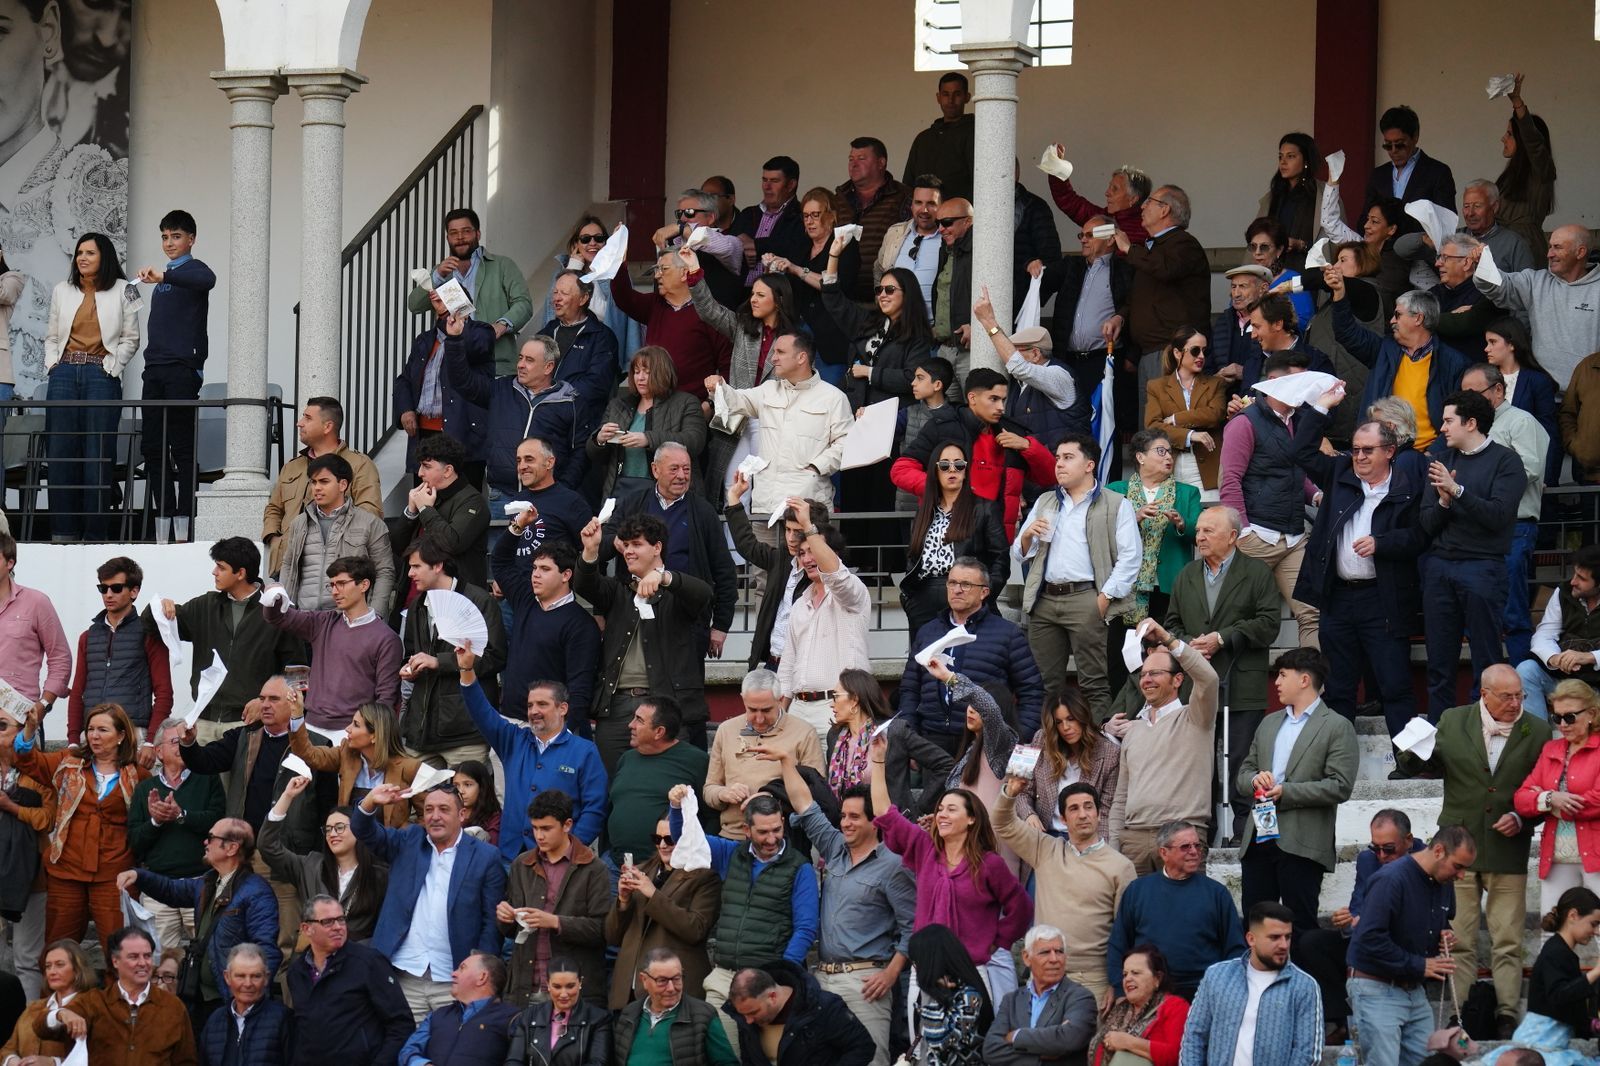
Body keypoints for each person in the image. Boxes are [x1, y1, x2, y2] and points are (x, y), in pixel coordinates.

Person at [1396, 664, 1549, 1037]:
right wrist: (1413, 746)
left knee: (1508, 940)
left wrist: (1522, 819)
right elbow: (1421, 765)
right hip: (1454, 852)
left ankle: (1507, 1015)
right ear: (1484, 694)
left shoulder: (1538, 729)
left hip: (1507, 848)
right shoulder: (1452, 719)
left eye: (1520, 696)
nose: (1516, 703)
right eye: (1507, 696)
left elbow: (1540, 788)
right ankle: (1458, 1014)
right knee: (1458, 939)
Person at [757, 747, 915, 1066]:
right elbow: (805, 805)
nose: (845, 822)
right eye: (843, 815)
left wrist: (891, 973)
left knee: (871, 1060)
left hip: (867, 982)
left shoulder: (893, 866)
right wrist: (787, 763)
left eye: (854, 817)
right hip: (824, 980)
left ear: (876, 822)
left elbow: (914, 926)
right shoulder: (835, 848)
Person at [1289, 400, 1428, 738]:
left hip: (1382, 599)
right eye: (1355, 450)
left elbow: (1420, 536)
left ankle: (1409, 760)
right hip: (1338, 598)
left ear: (1390, 451)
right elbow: (1301, 451)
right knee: (1338, 689)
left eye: (1368, 450)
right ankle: (1339, 765)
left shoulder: (1407, 485)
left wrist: (1382, 543)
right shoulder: (1340, 474)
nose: (1360, 457)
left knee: (1395, 685)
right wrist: (1321, 408)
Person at [869, 737, 1032, 1001]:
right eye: (940, 808)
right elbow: (885, 814)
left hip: (973, 970)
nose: (942, 814)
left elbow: (1021, 908)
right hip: (925, 970)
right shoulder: (925, 849)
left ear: (971, 819)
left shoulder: (990, 864)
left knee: (972, 1041)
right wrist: (878, 761)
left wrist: (996, 941)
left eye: (951, 809)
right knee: (923, 1041)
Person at [177, 675, 330, 950]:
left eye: (274, 699)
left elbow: (326, 808)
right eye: (262, 698)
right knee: (242, 937)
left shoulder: (318, 746)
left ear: (294, 704)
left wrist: (314, 858)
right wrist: (189, 744)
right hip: (245, 856)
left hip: (287, 857)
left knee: (285, 939)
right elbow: (204, 761)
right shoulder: (244, 738)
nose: (265, 705)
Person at [665, 783, 820, 1047]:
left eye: (776, 830)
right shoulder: (730, 853)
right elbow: (686, 840)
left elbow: (805, 928)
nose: (771, 839)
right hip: (725, 977)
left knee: (766, 1057)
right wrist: (677, 808)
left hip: (767, 979)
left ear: (783, 823)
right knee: (723, 1055)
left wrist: (782, 975)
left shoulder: (799, 868)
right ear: (746, 830)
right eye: (762, 832)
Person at [1157, 507, 1278, 838]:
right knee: (1199, 764)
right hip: (1198, 689)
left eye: (1209, 531)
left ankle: (1249, 836)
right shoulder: (1186, 575)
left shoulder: (1256, 573)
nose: (1200, 537)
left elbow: (1269, 624)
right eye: (1198, 531)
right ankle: (1200, 835)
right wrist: (1186, 644)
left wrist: (1224, 637)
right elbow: (1172, 625)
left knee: (1244, 762)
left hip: (1242, 683)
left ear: (1233, 537)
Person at [353, 781, 507, 1022]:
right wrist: (370, 800)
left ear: (462, 814)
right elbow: (364, 831)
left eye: (444, 809)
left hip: (455, 981)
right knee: (403, 1054)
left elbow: (491, 923)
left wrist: (480, 975)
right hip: (404, 975)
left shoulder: (486, 857)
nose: (435, 817)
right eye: (428, 810)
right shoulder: (409, 841)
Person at [1014, 433, 1142, 718]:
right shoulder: (1046, 500)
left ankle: (1099, 752)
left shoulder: (1116, 503)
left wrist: (1104, 598)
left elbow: (1131, 558)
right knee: (1044, 683)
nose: (1059, 464)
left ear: (1089, 465)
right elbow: (1020, 553)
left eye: (1068, 457)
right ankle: (1049, 751)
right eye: (1058, 457)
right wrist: (1027, 537)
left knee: (1094, 682)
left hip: (1086, 597)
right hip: (1044, 600)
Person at [577, 513, 713, 775]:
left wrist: (665, 578)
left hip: (663, 706)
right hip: (615, 707)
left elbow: (704, 594)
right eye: (626, 545)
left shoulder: (677, 590)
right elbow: (585, 584)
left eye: (636, 545)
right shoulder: (619, 591)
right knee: (612, 785)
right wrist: (590, 550)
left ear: (657, 547)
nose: (628, 551)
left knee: (670, 786)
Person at [1417, 390, 1526, 717]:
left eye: (1449, 420)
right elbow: (1426, 523)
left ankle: (1487, 735)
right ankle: (1440, 738)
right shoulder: (1441, 462)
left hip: (1482, 567)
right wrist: (1444, 502)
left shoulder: (1506, 461)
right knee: (1439, 661)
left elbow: (1498, 516)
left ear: (1472, 423)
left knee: (1486, 659)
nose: (1442, 428)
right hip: (1438, 568)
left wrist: (1458, 491)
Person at [1236, 649, 1358, 930]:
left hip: (1303, 841)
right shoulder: (1269, 722)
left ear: (1304, 680)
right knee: (1255, 923)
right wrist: (1255, 780)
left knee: (1300, 925)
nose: (1276, 681)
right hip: (1260, 835)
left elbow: (1340, 786)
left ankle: (1302, 974)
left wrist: (1286, 792)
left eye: (1282, 674)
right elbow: (1243, 773)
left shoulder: (1337, 726)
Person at [14, 700, 146, 958]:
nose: (94, 736)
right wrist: (30, 729)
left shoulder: (138, 774)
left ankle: (118, 999)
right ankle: (57, 1000)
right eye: (91, 729)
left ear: (121, 736)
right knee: (58, 952)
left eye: (103, 730)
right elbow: (28, 761)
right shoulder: (69, 762)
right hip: (67, 870)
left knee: (119, 954)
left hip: (114, 873)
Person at [119, 817, 282, 1025]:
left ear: (232, 848)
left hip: (230, 1002)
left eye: (212, 837)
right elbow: (172, 890)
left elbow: (266, 950)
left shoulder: (257, 892)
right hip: (203, 998)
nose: (206, 842)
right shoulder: (210, 881)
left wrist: (248, 998)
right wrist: (138, 875)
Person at [1345, 825, 1477, 1066]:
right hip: (1376, 988)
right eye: (1458, 866)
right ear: (1438, 851)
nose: (1461, 876)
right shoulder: (1391, 878)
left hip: (1413, 989)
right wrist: (1420, 964)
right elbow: (1368, 938)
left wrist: (1443, 935)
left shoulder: (1442, 880)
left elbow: (1433, 923)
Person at [996, 773, 1134, 1005]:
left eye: (1088, 807)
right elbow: (1002, 823)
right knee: (1040, 1041)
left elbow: (1127, 931)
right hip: (1043, 974)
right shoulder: (1044, 849)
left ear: (1099, 815)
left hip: (1093, 979)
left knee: (1090, 1042)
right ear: (1063, 818)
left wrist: (1116, 983)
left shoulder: (1121, 866)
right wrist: (1010, 793)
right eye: (1074, 809)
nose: (1082, 814)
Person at [1217, 353, 1321, 648]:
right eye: (1297, 380)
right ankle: (1228, 691)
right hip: (1257, 536)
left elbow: (1293, 473)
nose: (1304, 388)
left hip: (1293, 537)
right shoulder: (1243, 422)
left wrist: (1316, 495)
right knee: (1235, 616)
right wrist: (1245, 533)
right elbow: (1230, 481)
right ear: (1274, 382)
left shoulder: (1299, 421)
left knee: (1311, 614)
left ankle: (1314, 691)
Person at [151, 537, 298, 745]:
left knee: (241, 779)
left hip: (249, 724)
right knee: (203, 779)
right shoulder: (205, 606)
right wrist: (159, 606)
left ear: (241, 573)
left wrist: (267, 702)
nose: (214, 572)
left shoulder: (278, 611)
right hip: (202, 723)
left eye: (221, 567)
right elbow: (151, 625)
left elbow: (297, 673)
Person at [42, 230, 140, 541]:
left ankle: (95, 533)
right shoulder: (62, 290)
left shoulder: (125, 290)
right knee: (60, 453)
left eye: (90, 253)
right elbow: (52, 336)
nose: (82, 258)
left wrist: (112, 367)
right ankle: (63, 531)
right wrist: (53, 365)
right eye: (79, 253)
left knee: (98, 454)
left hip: (101, 374)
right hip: (64, 374)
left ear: (104, 257)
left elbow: (131, 338)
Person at [601, 441, 737, 663]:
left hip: (687, 621)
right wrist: (617, 542)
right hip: (634, 619)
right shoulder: (633, 504)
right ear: (655, 470)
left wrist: (721, 626)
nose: (682, 476)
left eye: (687, 469)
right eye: (674, 468)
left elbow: (724, 572)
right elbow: (602, 545)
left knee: (683, 693)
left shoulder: (703, 512)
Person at [704, 329, 851, 524]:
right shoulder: (768, 390)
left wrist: (816, 467)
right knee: (763, 555)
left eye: (780, 352)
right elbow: (737, 400)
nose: (773, 359)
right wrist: (720, 387)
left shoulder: (833, 398)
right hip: (765, 506)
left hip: (809, 506)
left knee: (808, 556)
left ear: (801, 357)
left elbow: (846, 444)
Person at [893, 367, 1056, 538]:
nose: (1001, 407)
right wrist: (943, 488)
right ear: (972, 398)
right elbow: (901, 470)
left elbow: (1050, 477)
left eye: (1003, 400)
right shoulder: (942, 427)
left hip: (996, 539)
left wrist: (1028, 446)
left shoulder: (1013, 433)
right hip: (948, 536)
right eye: (993, 399)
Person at [900, 554, 1039, 753]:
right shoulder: (928, 632)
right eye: (952, 583)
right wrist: (910, 739)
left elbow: (1032, 693)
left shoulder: (1007, 634)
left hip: (984, 742)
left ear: (984, 592)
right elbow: (910, 690)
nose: (957, 590)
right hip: (932, 740)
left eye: (966, 584)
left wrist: (1015, 740)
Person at [1462, 362, 1549, 664]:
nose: (1467, 401)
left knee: (1512, 612)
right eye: (1463, 395)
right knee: (1478, 612)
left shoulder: (1519, 421)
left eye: (1474, 393)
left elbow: (1530, 469)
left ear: (1498, 390)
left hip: (1515, 526)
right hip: (1478, 528)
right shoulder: (1471, 426)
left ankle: (1521, 685)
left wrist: (1478, 482)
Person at [136, 209, 215, 540]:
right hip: (154, 368)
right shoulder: (163, 279)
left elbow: (207, 280)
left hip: (182, 369)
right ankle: (162, 522)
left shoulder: (191, 271)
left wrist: (165, 277)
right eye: (165, 237)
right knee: (153, 447)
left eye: (176, 236)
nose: (169, 243)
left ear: (191, 239)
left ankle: (184, 525)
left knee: (182, 447)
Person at [261, 555, 403, 732]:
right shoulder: (323, 622)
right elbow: (278, 617)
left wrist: (369, 734)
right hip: (311, 725)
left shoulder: (386, 639)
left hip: (352, 732)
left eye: (342, 583)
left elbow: (386, 699)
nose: (335, 591)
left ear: (364, 585)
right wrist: (273, 594)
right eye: (332, 585)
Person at [398, 538, 507, 767]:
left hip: (465, 729)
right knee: (416, 799)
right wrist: (411, 668)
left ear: (437, 566)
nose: (410, 573)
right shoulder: (418, 604)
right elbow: (411, 651)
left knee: (463, 801)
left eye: (416, 566)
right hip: (422, 730)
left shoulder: (480, 600)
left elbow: (494, 657)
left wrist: (439, 662)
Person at [501, 790, 613, 1009]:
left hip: (573, 992)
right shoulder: (521, 864)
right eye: (535, 828)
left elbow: (602, 931)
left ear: (567, 825)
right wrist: (505, 918)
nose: (539, 836)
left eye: (546, 828)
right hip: (526, 987)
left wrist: (554, 922)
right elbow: (511, 932)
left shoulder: (594, 868)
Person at [1107, 821, 1244, 1001]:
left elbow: (1235, 949)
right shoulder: (1138, 891)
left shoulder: (1216, 893)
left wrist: (1224, 991)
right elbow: (1119, 944)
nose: (1194, 852)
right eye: (1185, 847)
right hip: (1148, 992)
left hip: (1204, 993)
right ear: (1164, 853)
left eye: (1197, 845)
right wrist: (1119, 988)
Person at [773, 498, 872, 740]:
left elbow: (836, 576)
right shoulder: (799, 604)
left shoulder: (852, 591)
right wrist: (779, 718)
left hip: (838, 707)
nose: (807, 559)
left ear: (832, 554)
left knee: (837, 779)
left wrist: (808, 525)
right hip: (797, 709)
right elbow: (787, 668)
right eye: (802, 553)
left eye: (813, 551)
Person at [1179, 902, 1324, 1066]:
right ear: (1251, 939)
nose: (1284, 945)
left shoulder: (1304, 986)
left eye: (1288, 937)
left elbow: (1308, 1053)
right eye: (1274, 937)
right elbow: (1194, 1036)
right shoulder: (1217, 976)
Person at [604, 810, 721, 1009]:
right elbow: (612, 936)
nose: (663, 845)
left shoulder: (704, 877)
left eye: (670, 839)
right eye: (657, 839)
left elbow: (696, 929)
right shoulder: (643, 870)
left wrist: (653, 894)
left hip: (672, 994)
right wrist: (623, 901)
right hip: (628, 994)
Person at [897, 441, 1010, 645]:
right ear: (935, 471)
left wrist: (983, 595)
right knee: (925, 667)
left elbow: (1000, 560)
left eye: (959, 465)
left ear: (966, 470)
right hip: (924, 597)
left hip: (966, 594)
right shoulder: (924, 512)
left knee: (971, 664)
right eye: (945, 465)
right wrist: (909, 599)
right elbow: (913, 557)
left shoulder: (984, 508)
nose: (952, 470)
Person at [127, 719, 225, 949]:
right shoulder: (145, 789)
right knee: (159, 963)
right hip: (159, 887)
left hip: (202, 883)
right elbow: (135, 841)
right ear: (159, 751)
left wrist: (181, 815)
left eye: (184, 740)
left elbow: (218, 822)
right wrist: (156, 820)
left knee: (208, 955)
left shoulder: (208, 778)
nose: (181, 745)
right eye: (174, 741)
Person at [284, 895, 415, 1066]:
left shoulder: (369, 963)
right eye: (328, 922)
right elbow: (303, 1030)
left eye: (341, 919)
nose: (338, 927)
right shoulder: (296, 972)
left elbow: (401, 1024)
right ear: (306, 928)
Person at [261, 397, 382, 576]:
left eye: (307, 418)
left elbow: (371, 513)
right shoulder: (292, 466)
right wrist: (274, 538)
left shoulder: (360, 464)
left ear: (327, 427)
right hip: (288, 564)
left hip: (337, 567)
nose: (299, 423)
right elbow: (274, 508)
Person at [1039, 213, 1132, 445]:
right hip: (1068, 359)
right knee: (1069, 423)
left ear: (1110, 239)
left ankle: (1107, 479)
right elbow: (1041, 281)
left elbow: (1136, 303)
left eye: (1090, 235)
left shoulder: (1124, 269)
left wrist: (1121, 317)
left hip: (1102, 360)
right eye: (1082, 234)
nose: (1083, 239)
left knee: (1104, 423)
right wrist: (1033, 266)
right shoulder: (1072, 266)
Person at [405, 206, 533, 374]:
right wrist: (436, 275)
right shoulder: (441, 272)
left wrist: (500, 326)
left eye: (466, 231)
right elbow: (414, 305)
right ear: (447, 237)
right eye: (453, 233)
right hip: (452, 366)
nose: (460, 238)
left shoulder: (502, 265)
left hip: (496, 366)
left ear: (477, 234)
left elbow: (524, 303)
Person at [40, 927, 196, 1065]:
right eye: (134, 957)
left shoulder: (173, 1006)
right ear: (115, 961)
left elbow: (186, 1060)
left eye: (147, 956)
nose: (143, 963)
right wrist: (60, 1014)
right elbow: (41, 1027)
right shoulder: (94, 1001)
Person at [259, 778, 388, 943]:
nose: (332, 834)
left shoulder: (379, 875)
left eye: (339, 827)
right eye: (328, 829)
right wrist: (287, 796)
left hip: (357, 960)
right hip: (314, 957)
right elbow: (267, 846)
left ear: (358, 829)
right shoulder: (310, 866)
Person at [1472, 224, 1600, 390]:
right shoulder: (1536, 282)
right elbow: (1501, 287)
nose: (1549, 254)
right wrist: (1483, 264)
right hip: (1542, 392)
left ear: (1580, 252)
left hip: (1589, 394)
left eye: (1557, 247)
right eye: (1549, 247)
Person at [492, 535, 601, 730]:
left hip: (550, 727)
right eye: (534, 568)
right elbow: (500, 561)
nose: (535, 574)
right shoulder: (525, 599)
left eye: (545, 569)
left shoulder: (581, 625)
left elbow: (580, 687)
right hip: (509, 721)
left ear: (566, 575)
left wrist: (562, 735)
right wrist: (516, 528)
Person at [703, 670, 825, 841]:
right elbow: (709, 789)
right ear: (742, 699)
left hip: (782, 837)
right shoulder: (726, 730)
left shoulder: (803, 733)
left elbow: (817, 791)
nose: (759, 719)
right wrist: (723, 793)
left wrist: (773, 796)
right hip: (733, 836)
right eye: (752, 710)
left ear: (781, 700)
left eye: (766, 710)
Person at [66, 556, 172, 749]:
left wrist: (150, 742)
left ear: (134, 591)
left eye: (116, 588)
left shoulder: (149, 633)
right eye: (102, 588)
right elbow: (77, 693)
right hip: (92, 735)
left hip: (133, 734)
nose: (108, 594)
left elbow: (164, 692)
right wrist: (73, 741)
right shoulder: (87, 637)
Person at [271, 452, 396, 615]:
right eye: (313, 482)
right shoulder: (299, 523)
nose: (316, 488)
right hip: (303, 617)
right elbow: (288, 565)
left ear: (343, 484)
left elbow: (384, 571)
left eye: (324, 481)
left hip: (347, 619)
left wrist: (375, 615)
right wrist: (285, 611)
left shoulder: (370, 523)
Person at [606, 695, 711, 881]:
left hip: (666, 872)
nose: (630, 725)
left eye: (639, 720)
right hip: (617, 867)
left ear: (659, 732)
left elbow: (710, 816)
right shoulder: (626, 759)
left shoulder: (695, 761)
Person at [1107, 428, 1201, 633]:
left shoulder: (1187, 493)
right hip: (1125, 586)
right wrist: (1134, 518)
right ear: (1140, 457)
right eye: (1161, 451)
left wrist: (1182, 524)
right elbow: (1102, 535)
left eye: (1170, 452)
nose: (1169, 456)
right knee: (1121, 655)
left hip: (1169, 584)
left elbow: (1201, 534)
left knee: (1164, 652)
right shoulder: (1115, 491)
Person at [1516, 681, 1600, 909]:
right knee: (1552, 927)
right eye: (1557, 718)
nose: (1562, 724)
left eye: (1570, 717)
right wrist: (1552, 798)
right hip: (1556, 856)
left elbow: (1597, 801)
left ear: (1591, 713)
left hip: (1597, 854)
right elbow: (1521, 799)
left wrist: (1545, 800)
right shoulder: (1550, 749)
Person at [393, 292, 494, 482]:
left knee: (462, 501)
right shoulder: (425, 340)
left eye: (447, 297)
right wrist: (405, 410)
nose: (440, 304)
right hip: (424, 435)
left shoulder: (480, 332)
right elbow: (405, 380)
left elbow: (474, 346)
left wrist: (456, 314)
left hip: (462, 434)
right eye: (438, 300)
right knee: (425, 502)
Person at [609, 246, 733, 401]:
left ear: (684, 273)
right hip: (653, 402)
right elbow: (623, 297)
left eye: (664, 269)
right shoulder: (655, 305)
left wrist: (710, 405)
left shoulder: (712, 314)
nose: (657, 276)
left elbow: (728, 366)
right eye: (657, 270)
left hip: (693, 407)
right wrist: (619, 263)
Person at [1118, 186, 1209, 395]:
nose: (1142, 206)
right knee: (1150, 424)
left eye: (1148, 201)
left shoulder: (1184, 243)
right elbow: (1138, 296)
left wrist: (1129, 249)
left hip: (1172, 352)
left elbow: (1166, 269)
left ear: (1164, 209)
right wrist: (1120, 317)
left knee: (1169, 423)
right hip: (1150, 352)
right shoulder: (1154, 249)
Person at [591, 346, 708, 499]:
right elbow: (594, 456)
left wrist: (648, 439)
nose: (640, 377)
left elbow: (694, 442)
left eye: (647, 372)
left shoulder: (687, 402)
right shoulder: (618, 405)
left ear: (663, 372)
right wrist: (599, 439)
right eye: (637, 372)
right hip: (622, 490)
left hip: (667, 493)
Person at [1012, 687, 1120, 841]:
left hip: (1085, 841)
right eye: (1059, 722)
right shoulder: (1040, 738)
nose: (1065, 728)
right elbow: (1017, 788)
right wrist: (1029, 814)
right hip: (1044, 837)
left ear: (1083, 717)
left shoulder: (1111, 753)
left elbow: (1105, 812)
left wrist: (1096, 852)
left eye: (1071, 719)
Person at [285, 699, 418, 823]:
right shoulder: (346, 753)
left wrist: (405, 839)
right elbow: (308, 754)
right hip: (351, 845)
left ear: (374, 736)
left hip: (388, 846)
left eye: (356, 725)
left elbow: (428, 815)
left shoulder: (409, 767)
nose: (347, 729)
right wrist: (297, 715)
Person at [981, 924, 1097, 1066]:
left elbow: (1068, 1039)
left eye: (1059, 951)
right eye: (1045, 952)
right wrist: (1039, 1057)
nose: (1054, 959)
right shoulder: (1011, 1000)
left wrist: (1016, 1036)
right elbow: (991, 1050)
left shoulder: (1080, 997)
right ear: (1026, 957)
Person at [538, 214, 642, 370]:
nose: (592, 243)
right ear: (576, 244)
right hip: (566, 351)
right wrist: (574, 268)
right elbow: (553, 313)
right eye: (585, 239)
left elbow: (625, 314)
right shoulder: (563, 272)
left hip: (604, 352)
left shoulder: (615, 272)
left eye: (599, 238)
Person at [0, 713, 54, 1004]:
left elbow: (48, 819)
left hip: (32, 876)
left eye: (2, 726)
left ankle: (29, 1030)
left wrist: (12, 807)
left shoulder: (39, 773)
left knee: (27, 957)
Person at [726, 962, 876, 1066]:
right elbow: (748, 1061)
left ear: (772, 997)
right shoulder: (747, 1017)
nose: (748, 1020)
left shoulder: (823, 1007)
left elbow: (863, 1047)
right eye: (744, 1014)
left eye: (754, 1012)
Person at [612, 947, 740, 1066]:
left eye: (676, 979)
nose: (671, 988)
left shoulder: (703, 1015)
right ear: (644, 980)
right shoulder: (629, 1014)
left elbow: (727, 1063)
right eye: (662, 981)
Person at [1515, 886, 1600, 1064]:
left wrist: (1591, 1025)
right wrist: (1595, 973)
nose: (1596, 931)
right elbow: (1559, 995)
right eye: (1593, 924)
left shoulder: (1564, 952)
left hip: (1552, 1045)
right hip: (1536, 1048)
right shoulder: (1554, 951)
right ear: (1573, 915)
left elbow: (1569, 1005)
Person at [395, 433, 491, 589]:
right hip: (414, 593)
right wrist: (411, 512)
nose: (419, 473)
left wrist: (426, 509)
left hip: (457, 598)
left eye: (427, 466)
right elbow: (398, 547)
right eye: (420, 466)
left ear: (447, 471)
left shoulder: (473, 501)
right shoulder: (425, 497)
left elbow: (452, 544)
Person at [1519, 546, 1600, 719]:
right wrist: (1554, 658)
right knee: (1527, 670)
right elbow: (1544, 634)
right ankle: (1539, 740)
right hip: (1566, 680)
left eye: (1582, 578)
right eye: (1575, 574)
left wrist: (1589, 657)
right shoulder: (1563, 593)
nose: (1573, 582)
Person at [399, 950, 520, 1066]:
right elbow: (408, 1051)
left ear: (482, 977)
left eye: (462, 968)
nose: (453, 973)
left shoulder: (512, 1019)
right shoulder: (438, 1015)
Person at [1144, 327, 1225, 496]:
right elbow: (1153, 427)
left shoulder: (1215, 383)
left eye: (1205, 351)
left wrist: (1175, 418)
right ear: (1177, 353)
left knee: (1206, 520)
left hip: (1207, 469)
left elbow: (1214, 414)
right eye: (1195, 350)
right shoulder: (1156, 386)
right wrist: (1190, 435)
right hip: (1169, 465)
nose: (1201, 356)